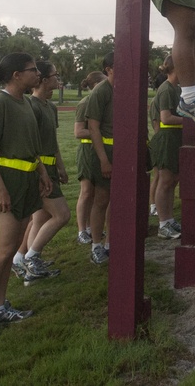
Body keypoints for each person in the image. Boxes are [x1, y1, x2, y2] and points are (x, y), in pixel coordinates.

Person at [0, 53, 52, 341]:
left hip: (27, 180)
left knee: (11, 250)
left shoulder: (26, 103)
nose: (37, 74)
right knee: (3, 250)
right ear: (16, 75)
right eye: (32, 70)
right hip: (6, 183)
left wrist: (41, 172)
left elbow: (32, 146)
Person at [12, 60, 69, 284]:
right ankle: (31, 258)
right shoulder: (31, 106)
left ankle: (21, 260)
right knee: (62, 215)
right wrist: (41, 172)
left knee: (41, 217)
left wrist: (60, 165)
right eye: (55, 75)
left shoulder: (50, 107)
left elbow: (51, 141)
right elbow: (29, 143)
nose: (58, 79)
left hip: (50, 168)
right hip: (39, 171)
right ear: (44, 80)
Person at [85, 52, 115, 264]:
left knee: (117, 200)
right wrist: (103, 159)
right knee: (101, 199)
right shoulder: (101, 92)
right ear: (109, 69)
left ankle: (112, 242)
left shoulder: (127, 89)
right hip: (106, 152)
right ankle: (96, 244)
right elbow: (93, 128)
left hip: (123, 154)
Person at [150, 55, 184, 239]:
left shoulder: (176, 89)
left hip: (174, 137)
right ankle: (163, 224)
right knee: (165, 181)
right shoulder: (166, 90)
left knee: (172, 181)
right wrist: (190, 121)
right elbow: (165, 118)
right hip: (166, 139)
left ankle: (169, 219)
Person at [73, 71, 106, 244]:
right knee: (86, 192)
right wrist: (99, 133)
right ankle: (81, 230)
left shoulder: (102, 101)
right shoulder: (86, 102)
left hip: (99, 148)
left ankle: (92, 228)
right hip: (87, 149)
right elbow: (78, 131)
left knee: (97, 193)